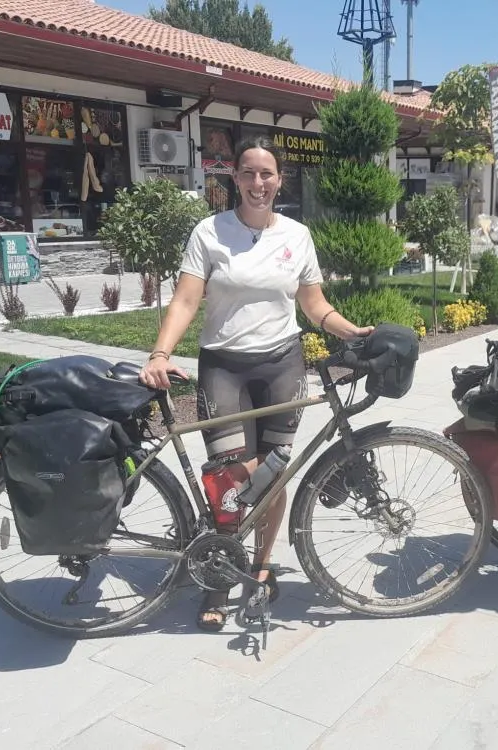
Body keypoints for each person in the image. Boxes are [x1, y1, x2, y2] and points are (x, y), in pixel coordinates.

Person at [138, 136, 373, 631]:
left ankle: (261, 569)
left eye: (267, 174)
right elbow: (186, 300)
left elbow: (313, 304)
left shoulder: (297, 235)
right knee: (232, 476)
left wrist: (349, 330)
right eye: (248, 173)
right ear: (235, 178)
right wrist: (160, 353)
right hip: (224, 365)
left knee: (272, 474)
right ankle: (221, 575)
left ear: (279, 180)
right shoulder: (210, 232)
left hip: (282, 363)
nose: (258, 182)